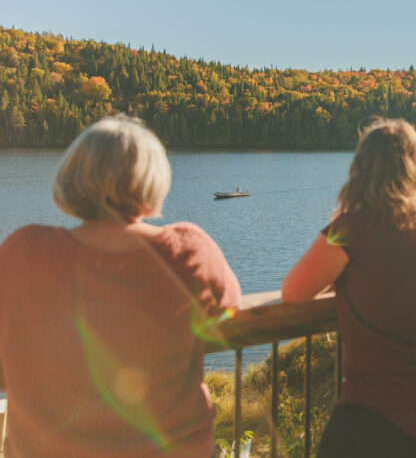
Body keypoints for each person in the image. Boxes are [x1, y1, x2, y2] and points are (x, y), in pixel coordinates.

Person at [0, 115, 241, 457]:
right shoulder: (188, 249)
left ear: (72, 177)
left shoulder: (23, 250)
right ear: (152, 182)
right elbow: (227, 307)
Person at [282, 117, 416, 458]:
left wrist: (341, 280)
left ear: (362, 170)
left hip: (381, 402)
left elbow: (293, 292)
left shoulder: (350, 229)